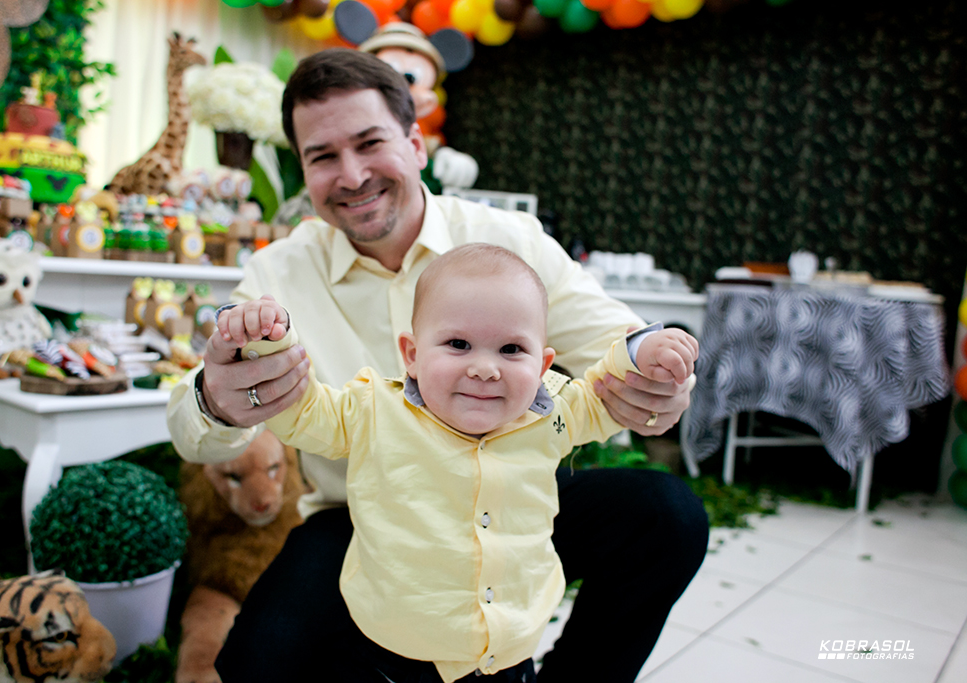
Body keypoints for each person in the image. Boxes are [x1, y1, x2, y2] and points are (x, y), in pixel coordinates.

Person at [167, 47, 709, 682]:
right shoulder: (278, 273)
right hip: (362, 521)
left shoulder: (512, 241)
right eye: (323, 157)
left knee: (666, 515)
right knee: (259, 657)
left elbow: (619, 337)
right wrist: (219, 396)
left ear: (417, 142)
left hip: (510, 497)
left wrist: (656, 375)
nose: (351, 175)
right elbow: (192, 420)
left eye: (370, 143)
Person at [210, 244, 699, 682]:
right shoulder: (376, 411)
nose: (485, 367)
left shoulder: (553, 410)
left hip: (507, 650)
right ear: (412, 355)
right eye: (458, 345)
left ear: (544, 365)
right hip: (397, 658)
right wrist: (268, 346)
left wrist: (639, 355)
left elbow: (604, 398)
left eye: (512, 350)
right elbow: (307, 416)